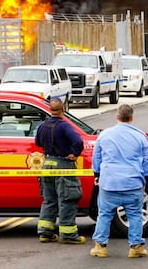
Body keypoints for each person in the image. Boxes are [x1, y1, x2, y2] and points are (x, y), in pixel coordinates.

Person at [90, 104, 148, 259]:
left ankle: (100, 246)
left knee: (104, 214)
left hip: (109, 182)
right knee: (135, 215)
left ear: (117, 117)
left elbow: (96, 158)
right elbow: (147, 161)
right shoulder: (140, 136)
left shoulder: (104, 135)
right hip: (133, 183)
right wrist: (146, 177)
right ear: (132, 118)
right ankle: (136, 247)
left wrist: (97, 173)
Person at [34, 98, 86, 244]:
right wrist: (74, 154)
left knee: (49, 200)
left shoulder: (42, 125)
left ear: (50, 110)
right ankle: (68, 234)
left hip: (47, 165)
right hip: (63, 165)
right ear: (63, 109)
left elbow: (37, 142)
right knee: (67, 199)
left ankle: (45, 232)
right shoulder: (64, 126)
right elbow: (78, 142)